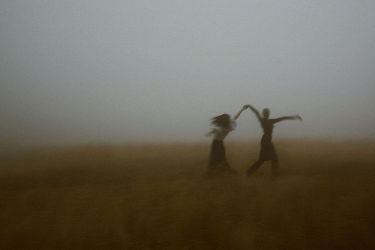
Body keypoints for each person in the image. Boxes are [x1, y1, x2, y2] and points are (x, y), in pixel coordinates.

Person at [245, 105, 302, 177]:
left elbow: (283, 118)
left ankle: (249, 173)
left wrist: (249, 106)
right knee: (270, 159)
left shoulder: (266, 121)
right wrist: (295, 117)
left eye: (267, 113)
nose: (267, 114)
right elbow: (283, 118)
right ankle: (249, 173)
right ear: (265, 114)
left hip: (266, 141)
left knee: (265, 159)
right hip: (266, 141)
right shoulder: (268, 121)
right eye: (266, 113)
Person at [206, 106, 247, 176]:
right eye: (229, 118)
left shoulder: (223, 127)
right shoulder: (226, 127)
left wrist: (210, 133)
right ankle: (214, 171)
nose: (230, 119)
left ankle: (214, 171)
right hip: (218, 143)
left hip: (217, 142)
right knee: (218, 157)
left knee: (216, 157)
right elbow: (236, 117)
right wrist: (242, 109)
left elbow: (215, 130)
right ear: (227, 121)